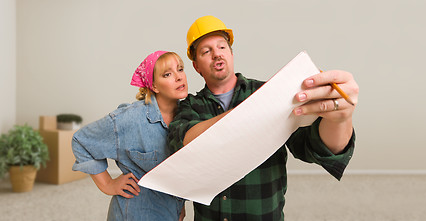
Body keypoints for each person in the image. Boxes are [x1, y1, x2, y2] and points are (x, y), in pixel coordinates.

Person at [167, 15, 359, 220]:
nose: (216, 55)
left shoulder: (271, 93)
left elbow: (313, 147)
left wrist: (340, 119)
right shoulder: (190, 106)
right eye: (206, 51)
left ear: (231, 53)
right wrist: (254, 112)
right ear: (196, 66)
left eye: (222, 47)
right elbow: (183, 141)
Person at [72, 51, 188, 221]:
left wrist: (180, 205)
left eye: (180, 69)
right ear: (154, 86)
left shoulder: (188, 118)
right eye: (168, 74)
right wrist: (108, 184)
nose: (178, 77)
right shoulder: (130, 118)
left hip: (170, 212)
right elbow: (81, 141)